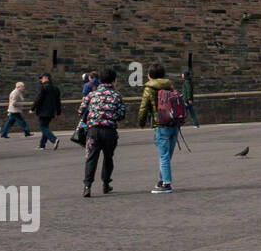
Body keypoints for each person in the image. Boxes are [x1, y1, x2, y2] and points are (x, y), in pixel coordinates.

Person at [77, 68, 126, 197]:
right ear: (114, 81)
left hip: (93, 131)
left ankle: (87, 186)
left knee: (91, 158)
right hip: (109, 131)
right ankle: (105, 183)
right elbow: (121, 115)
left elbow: (81, 110)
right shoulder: (116, 95)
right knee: (108, 158)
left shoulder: (92, 94)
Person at [137, 63, 182, 194]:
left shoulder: (149, 88)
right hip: (174, 124)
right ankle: (162, 180)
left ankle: (166, 184)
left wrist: (141, 123)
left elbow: (143, 108)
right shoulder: (170, 86)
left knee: (164, 155)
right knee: (167, 155)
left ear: (150, 75)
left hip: (161, 125)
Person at [31, 73, 62, 149]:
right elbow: (58, 101)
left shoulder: (43, 87)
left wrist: (32, 108)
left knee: (43, 127)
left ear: (46, 78)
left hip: (43, 111)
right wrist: (58, 112)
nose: (41, 80)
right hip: (51, 111)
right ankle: (42, 145)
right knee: (45, 127)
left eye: (42, 78)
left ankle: (54, 139)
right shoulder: (56, 88)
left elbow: (39, 99)